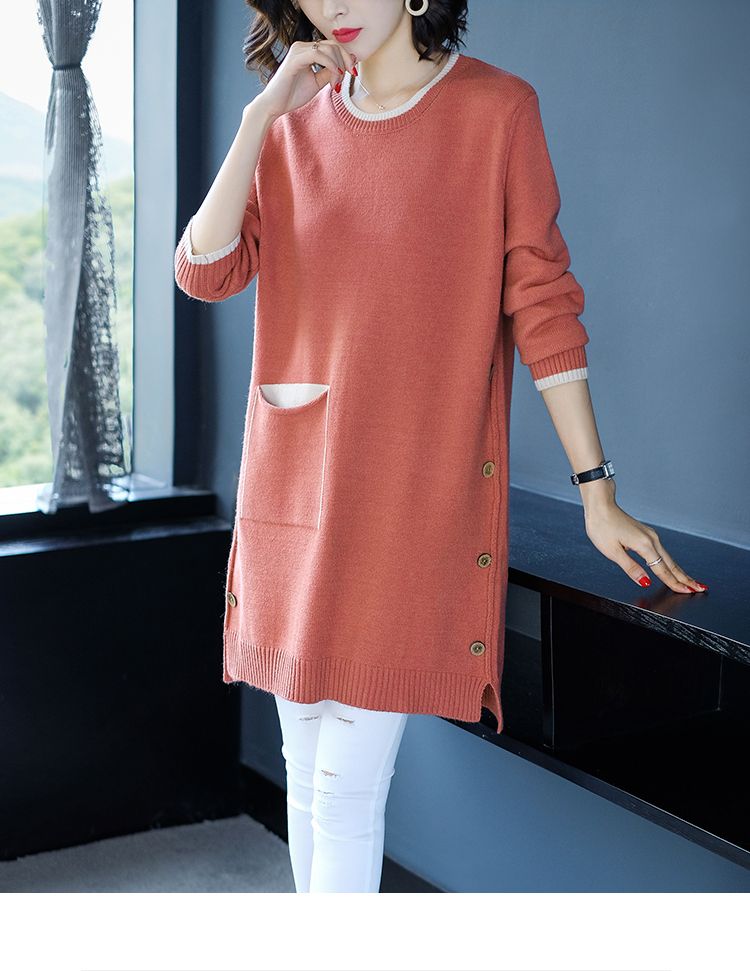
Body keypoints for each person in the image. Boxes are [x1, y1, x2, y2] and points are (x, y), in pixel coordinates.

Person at [174, 0, 708, 893]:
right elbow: (204, 270)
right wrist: (261, 115)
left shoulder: (496, 111)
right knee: (304, 767)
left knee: (344, 786)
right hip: (295, 486)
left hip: (409, 493)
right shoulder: (291, 124)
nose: (333, 5)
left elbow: (543, 304)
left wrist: (597, 490)